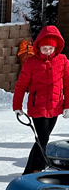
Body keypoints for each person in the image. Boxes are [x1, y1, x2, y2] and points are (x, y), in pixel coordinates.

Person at [12, 25, 69, 174]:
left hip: (55, 106)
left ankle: (30, 171)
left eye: (51, 49)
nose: (48, 52)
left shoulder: (62, 60)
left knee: (42, 140)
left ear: (56, 47)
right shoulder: (32, 62)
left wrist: (67, 105)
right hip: (38, 107)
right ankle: (36, 170)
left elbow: (68, 83)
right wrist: (17, 106)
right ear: (39, 47)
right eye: (45, 49)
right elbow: (21, 85)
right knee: (42, 139)